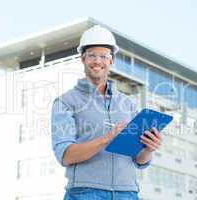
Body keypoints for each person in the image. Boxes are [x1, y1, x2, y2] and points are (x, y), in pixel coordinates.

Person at [51, 25, 162, 200]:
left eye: (104, 56)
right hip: (85, 193)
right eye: (92, 55)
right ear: (83, 59)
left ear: (111, 61)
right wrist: (107, 138)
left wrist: (148, 148)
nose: (98, 61)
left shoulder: (128, 104)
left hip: (128, 193)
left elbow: (139, 160)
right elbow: (65, 155)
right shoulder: (65, 102)